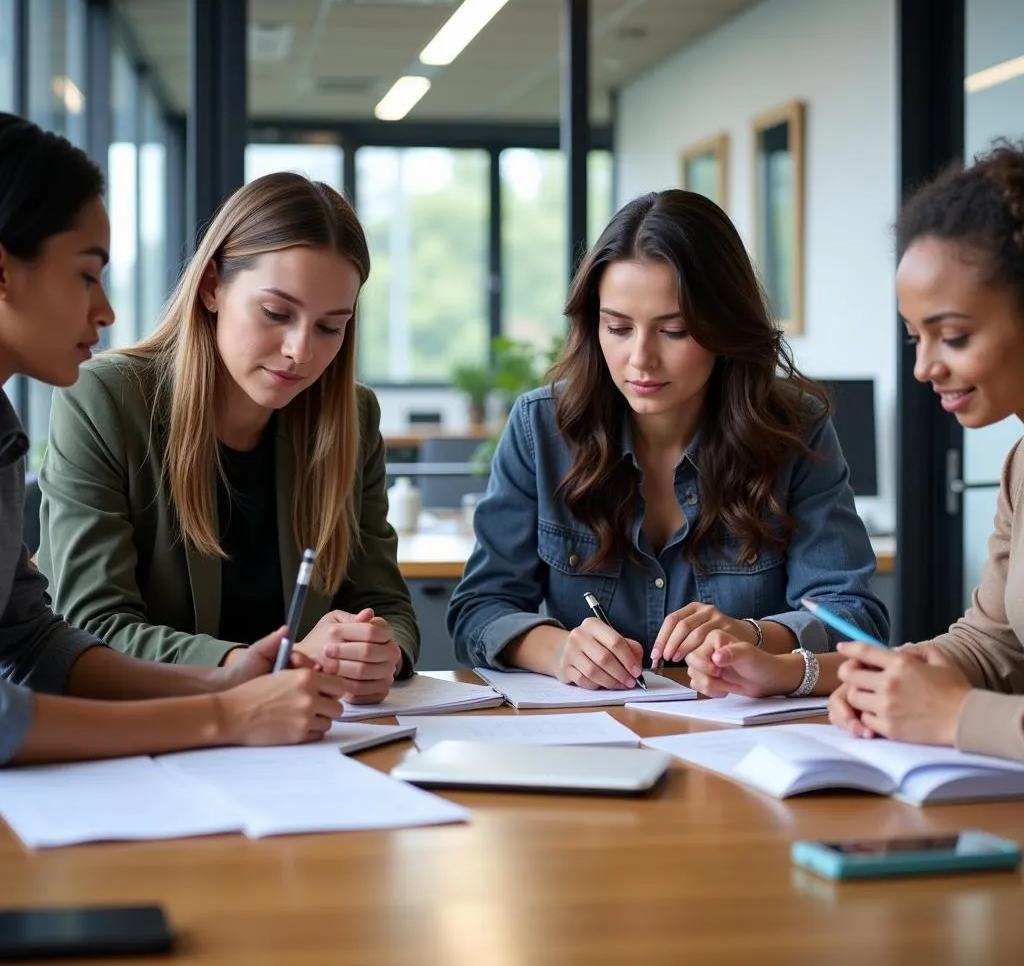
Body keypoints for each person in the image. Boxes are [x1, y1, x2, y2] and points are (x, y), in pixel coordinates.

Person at [0, 113, 351, 766]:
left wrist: (223, 682)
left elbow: (31, 642)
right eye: (86, 274)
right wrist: (221, 714)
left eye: (331, 325)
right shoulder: (104, 398)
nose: (105, 310)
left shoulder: (2, 429)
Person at [446, 189, 889, 690]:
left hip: (748, 742)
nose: (640, 359)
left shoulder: (794, 429)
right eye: (617, 327)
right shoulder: (541, 427)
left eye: (673, 331)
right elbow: (478, 610)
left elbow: (854, 619)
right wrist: (559, 649)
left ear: (724, 327)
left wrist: (754, 635)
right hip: (590, 742)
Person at [685, 142, 1024, 763]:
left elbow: (970, 693)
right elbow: (991, 647)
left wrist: (954, 715)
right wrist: (814, 675)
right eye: (915, 337)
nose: (924, 367)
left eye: (953, 336)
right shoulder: (1019, 467)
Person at [36, 170, 419, 705]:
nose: (301, 351)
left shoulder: (351, 416)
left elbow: (385, 602)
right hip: (146, 736)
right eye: (276, 313)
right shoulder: (105, 398)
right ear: (213, 286)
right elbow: (92, 626)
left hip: (306, 744)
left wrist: (382, 651)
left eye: (331, 327)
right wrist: (253, 667)